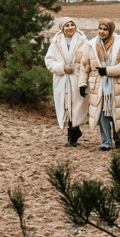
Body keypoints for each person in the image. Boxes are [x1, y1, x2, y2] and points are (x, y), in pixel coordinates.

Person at [78, 19, 120, 151]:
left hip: (116, 86)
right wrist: (82, 84)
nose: (101, 32)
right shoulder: (91, 45)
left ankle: (118, 138)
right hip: (98, 85)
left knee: (116, 113)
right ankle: (106, 143)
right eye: (100, 29)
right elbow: (84, 66)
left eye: (105, 29)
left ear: (110, 31)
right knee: (102, 115)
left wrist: (108, 71)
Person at [45, 17, 90, 147]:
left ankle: (74, 132)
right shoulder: (55, 42)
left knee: (76, 107)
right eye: (67, 25)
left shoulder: (83, 41)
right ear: (62, 28)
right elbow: (49, 61)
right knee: (66, 107)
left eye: (72, 25)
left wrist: (84, 78)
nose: (70, 27)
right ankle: (72, 136)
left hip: (78, 78)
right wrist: (62, 68)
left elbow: (88, 60)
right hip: (62, 79)